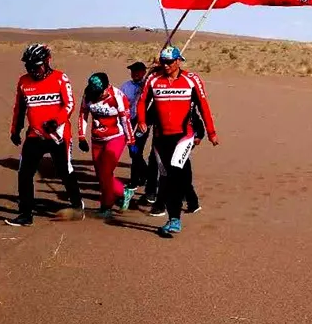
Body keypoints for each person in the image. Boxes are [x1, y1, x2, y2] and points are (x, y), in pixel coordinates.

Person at [136, 46, 218, 237]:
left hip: (184, 135)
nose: (166, 65)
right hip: (160, 137)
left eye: (170, 62)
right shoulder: (153, 79)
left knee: (174, 171)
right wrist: (141, 120)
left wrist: (211, 132)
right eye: (163, 62)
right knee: (167, 175)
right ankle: (180, 211)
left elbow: (204, 107)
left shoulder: (192, 80)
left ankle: (175, 217)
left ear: (179, 60)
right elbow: (142, 101)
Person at [5, 44, 85, 226]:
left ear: (47, 62)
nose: (34, 70)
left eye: (37, 66)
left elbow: (69, 104)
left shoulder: (60, 78)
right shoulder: (24, 82)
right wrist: (15, 130)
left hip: (58, 136)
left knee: (65, 171)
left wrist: (57, 121)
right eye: (29, 67)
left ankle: (77, 207)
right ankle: (25, 214)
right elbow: (19, 108)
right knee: (24, 173)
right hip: (34, 136)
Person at [77, 72, 135, 219]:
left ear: (107, 87)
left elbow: (125, 120)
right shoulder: (88, 94)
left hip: (116, 137)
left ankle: (106, 206)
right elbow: (83, 114)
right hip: (97, 139)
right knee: (100, 175)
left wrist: (131, 141)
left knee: (106, 172)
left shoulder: (117, 96)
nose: (96, 96)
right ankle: (123, 192)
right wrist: (81, 136)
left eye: (99, 93)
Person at [120, 61, 150, 206]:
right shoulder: (126, 86)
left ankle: (135, 180)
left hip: (142, 123)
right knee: (133, 152)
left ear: (144, 72)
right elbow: (121, 102)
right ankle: (146, 174)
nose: (135, 73)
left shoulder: (148, 84)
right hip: (129, 122)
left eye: (138, 71)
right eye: (133, 71)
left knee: (136, 150)